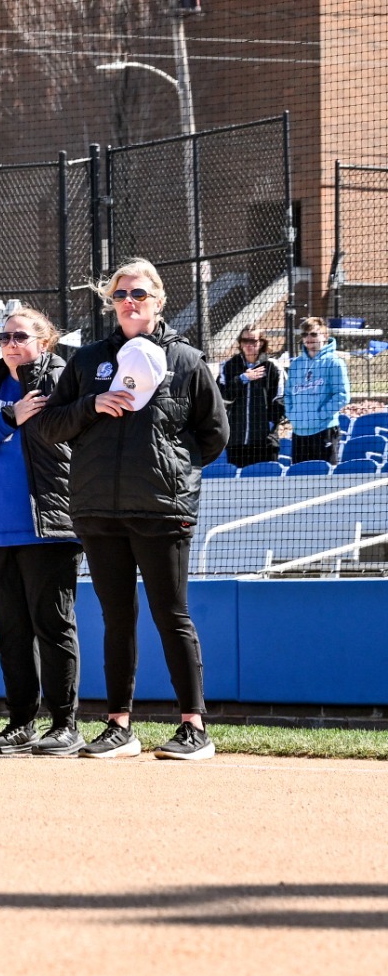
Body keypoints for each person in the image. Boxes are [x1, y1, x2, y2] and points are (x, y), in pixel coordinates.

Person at [40, 259, 228, 761]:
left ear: (159, 300)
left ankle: (193, 727)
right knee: (116, 619)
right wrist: (91, 406)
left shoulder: (187, 361)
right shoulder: (86, 362)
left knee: (172, 615)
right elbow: (50, 426)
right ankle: (119, 726)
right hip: (98, 510)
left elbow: (215, 435)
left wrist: (172, 473)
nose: (129, 302)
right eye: (121, 294)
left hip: (161, 511)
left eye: (139, 294)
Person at [0, 308, 83, 757]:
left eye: (20, 336)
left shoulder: (66, 378)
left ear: (45, 341)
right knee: (10, 632)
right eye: (3, 336)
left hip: (50, 527)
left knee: (54, 626)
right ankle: (21, 722)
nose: (9, 343)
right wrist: (9, 417)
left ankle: (65, 724)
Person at [285, 318, 351, 465]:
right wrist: (292, 415)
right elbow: (288, 394)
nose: (308, 338)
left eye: (313, 334)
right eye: (305, 334)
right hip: (299, 433)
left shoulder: (334, 362)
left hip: (324, 431)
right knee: (299, 482)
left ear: (325, 336)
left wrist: (320, 415)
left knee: (326, 482)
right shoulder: (296, 365)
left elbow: (342, 395)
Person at [219, 327, 286, 469]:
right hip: (237, 443)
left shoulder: (273, 367)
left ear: (261, 342)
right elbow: (222, 397)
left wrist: (268, 425)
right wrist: (243, 378)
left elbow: (280, 400)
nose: (248, 345)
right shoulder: (228, 366)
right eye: (244, 341)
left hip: (265, 443)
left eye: (253, 341)